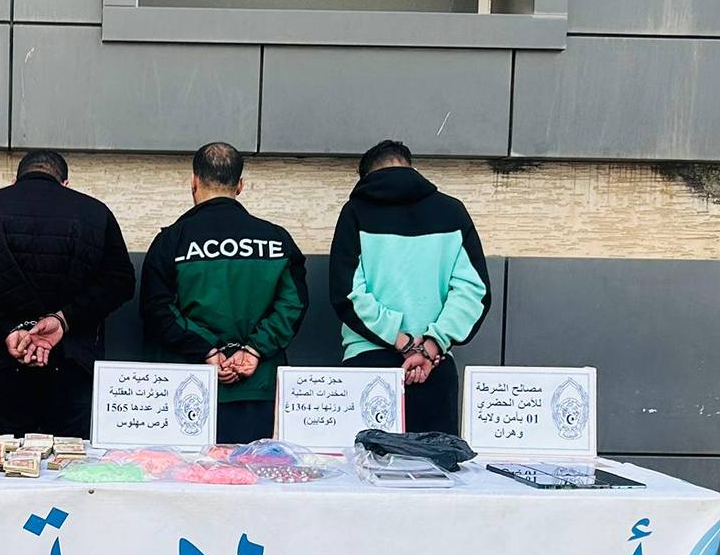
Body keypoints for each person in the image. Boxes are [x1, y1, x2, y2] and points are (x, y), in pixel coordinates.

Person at [0, 150, 136, 437]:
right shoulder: (95, 213)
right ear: (65, 183)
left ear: (15, 180)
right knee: (71, 460)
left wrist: (7, 329)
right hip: (73, 367)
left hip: (0, 368)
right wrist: (64, 319)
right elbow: (120, 282)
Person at [140, 143, 308, 444]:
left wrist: (207, 350)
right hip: (258, 387)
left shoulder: (172, 240)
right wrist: (254, 349)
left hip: (187, 389)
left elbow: (158, 310)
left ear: (194, 181)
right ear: (240, 185)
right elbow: (292, 305)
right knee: (253, 469)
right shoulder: (276, 239)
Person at [325, 140, 490, 436]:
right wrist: (430, 345)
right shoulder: (452, 212)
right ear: (410, 167)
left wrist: (402, 341)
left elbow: (348, 293)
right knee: (434, 462)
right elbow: (472, 291)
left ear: (366, 177)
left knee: (364, 464)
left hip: (368, 362)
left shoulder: (355, 212)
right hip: (434, 365)